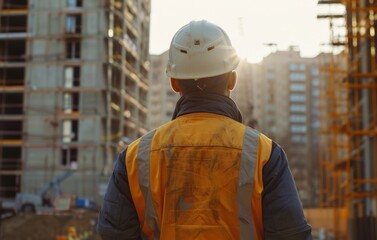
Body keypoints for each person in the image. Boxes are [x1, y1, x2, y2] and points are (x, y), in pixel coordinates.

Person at [97, 20, 312, 240]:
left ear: (174, 83)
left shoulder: (135, 157)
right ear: (232, 80)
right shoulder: (264, 154)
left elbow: (114, 234)